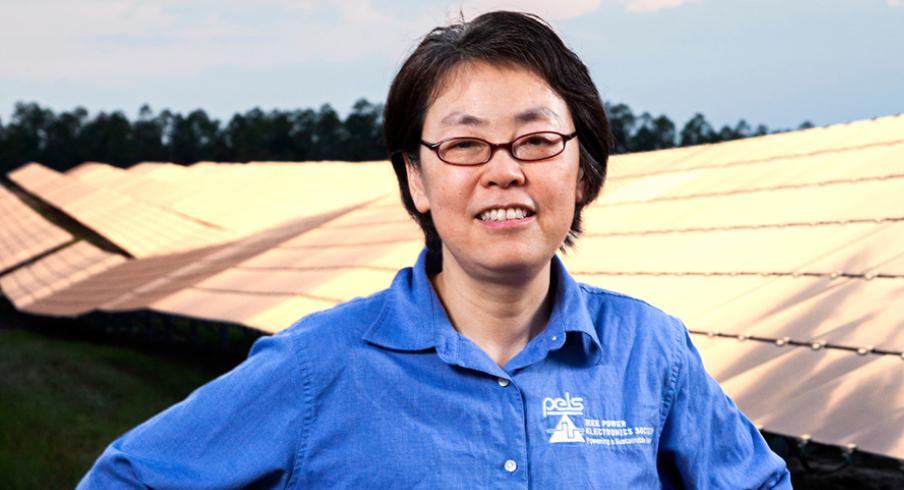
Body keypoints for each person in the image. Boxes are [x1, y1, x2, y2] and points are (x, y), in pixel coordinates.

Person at [79, 11, 791, 489]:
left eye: (538, 140)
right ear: (417, 178)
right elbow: (130, 478)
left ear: (583, 169)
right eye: (465, 143)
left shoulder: (650, 353)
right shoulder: (319, 365)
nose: (504, 170)